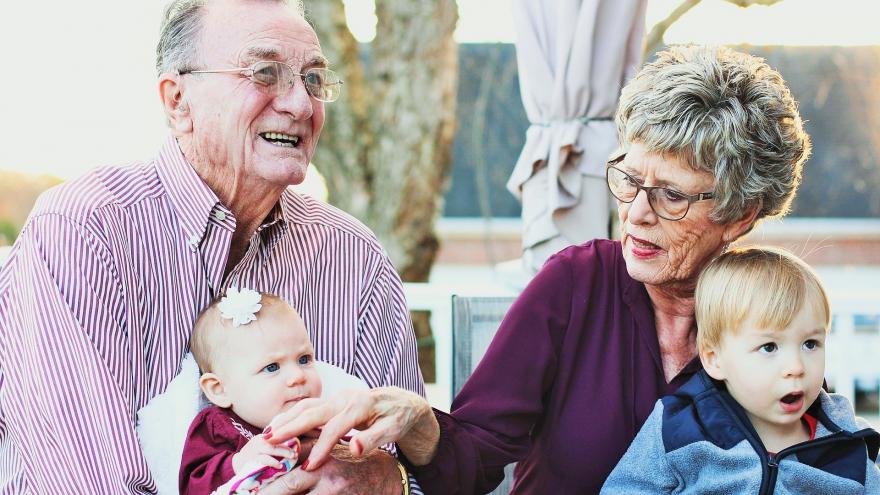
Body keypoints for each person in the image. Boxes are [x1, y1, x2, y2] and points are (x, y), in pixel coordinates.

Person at [263, 44, 816, 493]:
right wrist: (417, 419)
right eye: (628, 178)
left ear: (739, 215)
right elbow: (473, 459)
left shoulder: (775, 313)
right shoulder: (576, 284)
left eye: (671, 195)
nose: (636, 213)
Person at [0, 0, 423, 493]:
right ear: (178, 101)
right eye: (264, 73)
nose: (301, 105)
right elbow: (85, 483)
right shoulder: (85, 231)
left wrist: (377, 477)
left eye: (312, 79)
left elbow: (406, 466)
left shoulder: (354, 256)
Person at [601, 246, 880, 494]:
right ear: (714, 359)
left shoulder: (849, 445)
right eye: (769, 347)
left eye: (810, 343)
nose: (796, 367)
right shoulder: (680, 427)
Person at [179, 289, 321, 494]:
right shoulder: (218, 426)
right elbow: (192, 485)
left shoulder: (321, 420)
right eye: (272, 367)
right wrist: (238, 463)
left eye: (304, 359)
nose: (298, 376)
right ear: (219, 390)